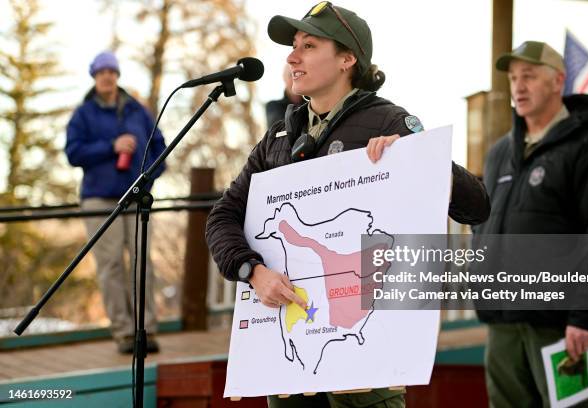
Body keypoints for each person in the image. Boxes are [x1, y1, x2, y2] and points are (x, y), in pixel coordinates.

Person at [206, 3, 490, 407]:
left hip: (365, 358)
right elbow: (222, 217)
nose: (292, 56)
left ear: (347, 58)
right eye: (292, 46)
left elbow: (476, 206)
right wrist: (251, 270)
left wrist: (419, 160)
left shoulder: (389, 122)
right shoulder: (279, 138)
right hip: (291, 362)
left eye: (308, 45)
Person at [473, 41, 588, 407]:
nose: (518, 86)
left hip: (561, 326)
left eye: (529, 77)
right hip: (502, 324)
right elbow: (484, 225)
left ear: (557, 81)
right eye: (514, 78)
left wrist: (585, 316)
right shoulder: (499, 153)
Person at [65, 51, 167, 354]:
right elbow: (73, 153)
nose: (107, 76)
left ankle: (145, 330)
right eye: (101, 72)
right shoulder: (83, 114)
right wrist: (111, 147)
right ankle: (123, 333)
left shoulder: (138, 110)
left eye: (112, 71)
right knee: (110, 266)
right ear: (94, 77)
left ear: (118, 75)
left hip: (136, 197)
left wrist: (148, 176)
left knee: (141, 264)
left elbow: (160, 145)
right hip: (100, 199)